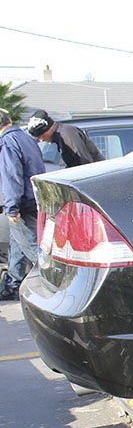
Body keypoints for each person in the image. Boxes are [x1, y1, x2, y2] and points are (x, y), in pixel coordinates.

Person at [0, 108, 46, 300]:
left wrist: (11, 207)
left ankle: (53, 285)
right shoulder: (25, 138)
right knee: (18, 245)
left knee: (32, 248)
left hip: (21, 203)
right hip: (32, 199)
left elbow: (12, 176)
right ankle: (12, 283)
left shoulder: (7, 142)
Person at [26, 109, 104, 167]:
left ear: (49, 128)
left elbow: (85, 163)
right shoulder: (60, 136)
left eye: (41, 136)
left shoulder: (67, 134)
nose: (41, 140)